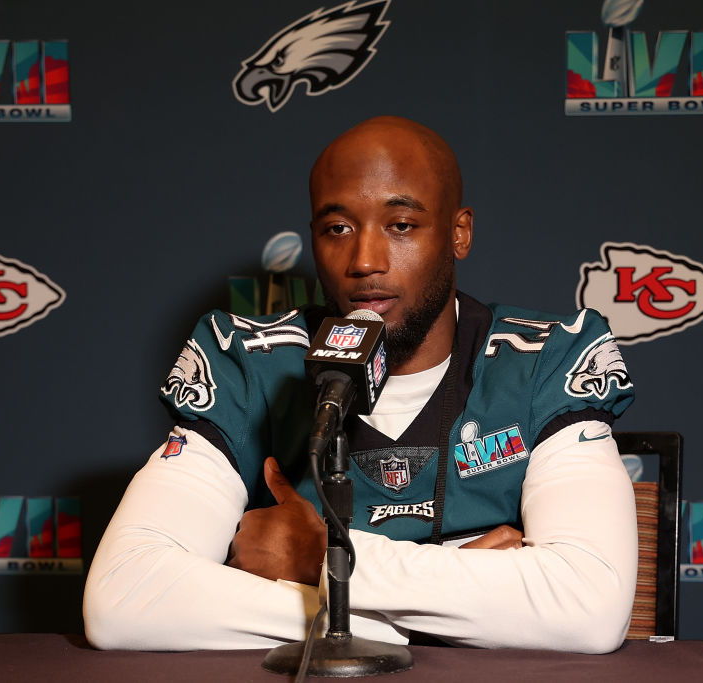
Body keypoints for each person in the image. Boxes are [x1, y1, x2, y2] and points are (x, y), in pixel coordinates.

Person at [83, 116, 638, 653]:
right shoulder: (250, 362)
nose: (365, 261)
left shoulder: (543, 359)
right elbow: (123, 599)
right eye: (337, 228)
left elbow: (590, 609)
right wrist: (429, 615)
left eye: (401, 225)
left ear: (458, 232)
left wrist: (315, 559)